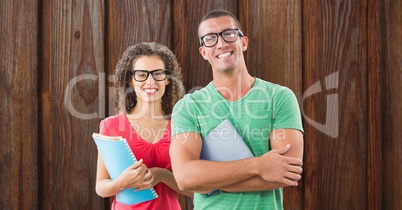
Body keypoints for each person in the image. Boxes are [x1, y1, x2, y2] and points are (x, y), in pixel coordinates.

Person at [170, 10, 304, 209]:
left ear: (244, 42)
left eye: (229, 34)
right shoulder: (189, 106)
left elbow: (286, 172)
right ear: (204, 52)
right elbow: (185, 178)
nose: (221, 44)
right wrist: (258, 166)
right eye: (210, 39)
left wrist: (210, 182)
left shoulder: (280, 97)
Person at [95, 42, 192, 210]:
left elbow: (196, 189)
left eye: (158, 74)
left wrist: (162, 175)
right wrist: (120, 182)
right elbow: (101, 187)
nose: (150, 81)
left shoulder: (181, 125)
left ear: (168, 79)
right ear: (131, 80)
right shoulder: (111, 126)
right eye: (141, 75)